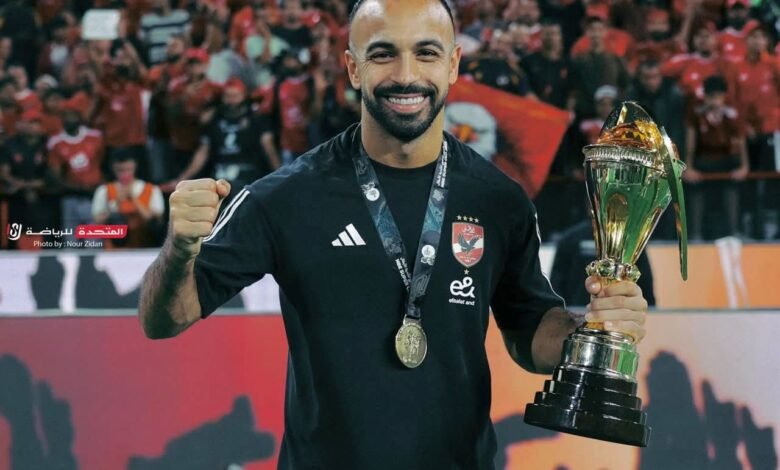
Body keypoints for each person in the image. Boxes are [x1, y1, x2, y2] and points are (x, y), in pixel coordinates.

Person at [138, 1, 649, 468]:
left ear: (453, 64)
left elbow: (529, 336)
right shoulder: (285, 196)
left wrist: (591, 334)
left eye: (426, 53)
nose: (406, 75)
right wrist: (179, 249)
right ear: (352, 68)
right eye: (383, 54)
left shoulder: (501, 201)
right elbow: (163, 319)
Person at [92, 151, 164, 248]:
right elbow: (97, 223)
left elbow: (156, 222)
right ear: (113, 168)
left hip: (145, 248)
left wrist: (134, 200)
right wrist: (115, 204)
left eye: (128, 169)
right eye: (120, 170)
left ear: (135, 167)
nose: (125, 174)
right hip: (113, 250)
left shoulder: (152, 190)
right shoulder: (103, 191)